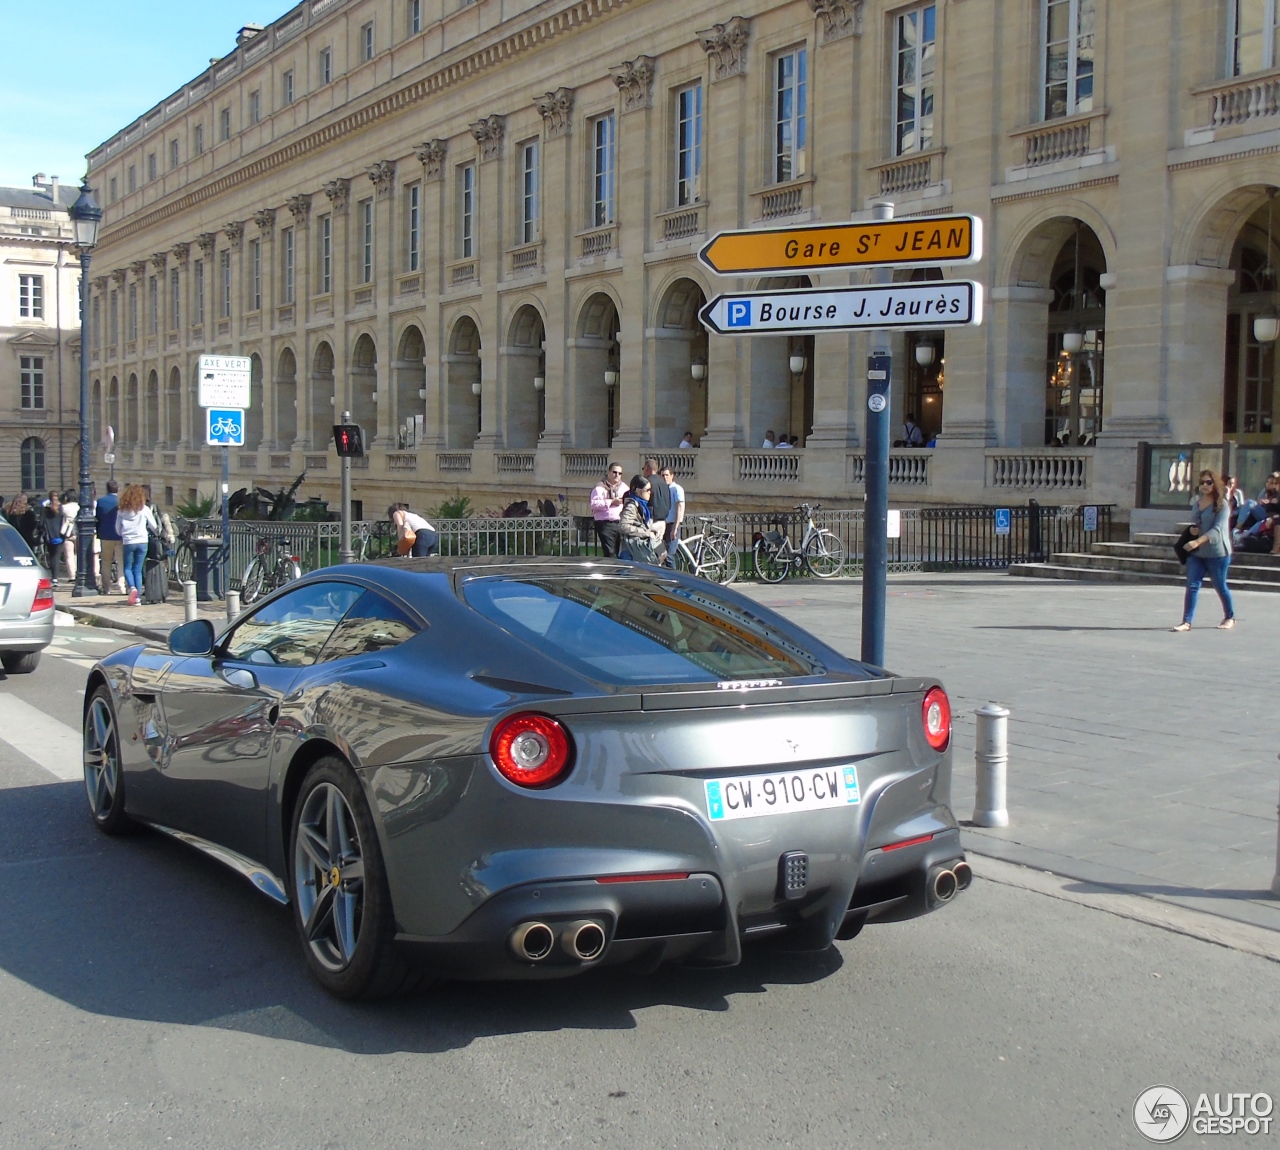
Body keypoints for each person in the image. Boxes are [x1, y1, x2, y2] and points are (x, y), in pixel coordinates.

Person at [1174, 470, 1235, 632]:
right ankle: (1186, 621)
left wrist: (1198, 541)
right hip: (1197, 553)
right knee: (1192, 584)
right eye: (1202, 483)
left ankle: (1230, 617)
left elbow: (1217, 530)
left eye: (1209, 482)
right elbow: (1195, 522)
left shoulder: (1222, 505)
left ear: (1215, 484)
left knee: (1220, 585)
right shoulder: (1197, 503)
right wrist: (1193, 530)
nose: (1205, 486)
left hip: (1217, 552)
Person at [116, 484, 158, 607]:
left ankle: (132, 588)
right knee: (138, 569)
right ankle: (138, 597)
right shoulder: (144, 509)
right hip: (142, 540)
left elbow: (117, 529)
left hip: (128, 541)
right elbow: (154, 526)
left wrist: (123, 534)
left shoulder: (121, 510)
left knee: (128, 567)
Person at [617, 474, 664, 564]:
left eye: (650, 490)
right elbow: (623, 526)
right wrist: (646, 533)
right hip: (630, 552)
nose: (650, 492)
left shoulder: (643, 505)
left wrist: (654, 529)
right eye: (647, 490)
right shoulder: (631, 506)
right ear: (638, 491)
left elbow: (642, 524)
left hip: (638, 550)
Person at [589, 462, 627, 557]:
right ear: (609, 472)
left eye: (620, 473)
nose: (617, 475)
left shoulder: (624, 488)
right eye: (614, 472)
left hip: (620, 523)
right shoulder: (599, 487)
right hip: (605, 524)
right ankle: (611, 570)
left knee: (620, 552)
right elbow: (594, 504)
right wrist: (611, 502)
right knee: (610, 553)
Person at [96, 479, 124, 595]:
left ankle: (106, 587)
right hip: (120, 535)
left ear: (107, 489)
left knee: (106, 562)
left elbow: (98, 518)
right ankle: (121, 585)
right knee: (121, 562)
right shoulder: (121, 501)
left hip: (105, 535)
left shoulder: (101, 501)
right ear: (118, 489)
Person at [660, 466, 685, 567]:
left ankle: (675, 579)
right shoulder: (664, 489)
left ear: (672, 476)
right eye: (663, 475)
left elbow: (680, 508)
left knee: (669, 556)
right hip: (664, 524)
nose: (665, 477)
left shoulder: (677, 489)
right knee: (662, 555)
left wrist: (675, 527)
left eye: (667, 475)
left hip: (672, 524)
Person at [642, 459, 672, 543]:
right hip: (663, 522)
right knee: (657, 550)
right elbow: (669, 503)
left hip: (651, 521)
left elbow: (643, 502)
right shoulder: (664, 484)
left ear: (647, 468)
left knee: (647, 550)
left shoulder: (647, 482)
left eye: (643, 468)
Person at [58, 488, 79, 584]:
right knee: (78, 554)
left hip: (68, 532)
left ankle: (72, 575)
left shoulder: (64, 507)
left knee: (69, 555)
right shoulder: (79, 506)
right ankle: (79, 572)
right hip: (78, 531)